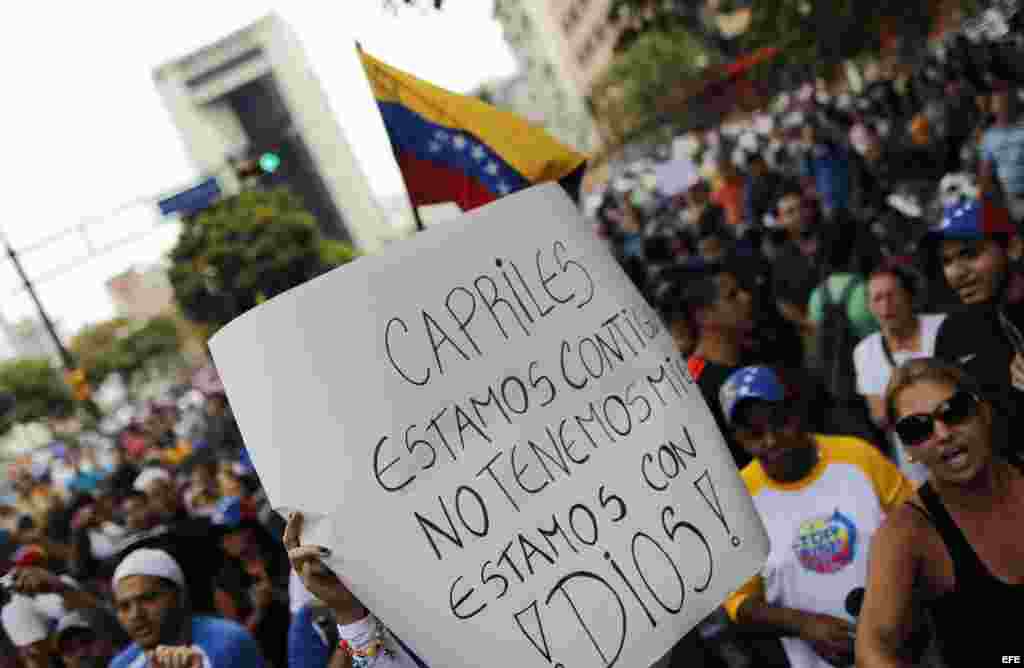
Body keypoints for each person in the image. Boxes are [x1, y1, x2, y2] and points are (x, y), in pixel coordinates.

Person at [719, 366, 913, 668]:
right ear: (738, 439)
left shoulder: (859, 458)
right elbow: (738, 602)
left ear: (796, 414)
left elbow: (918, 527)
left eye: (779, 423)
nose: (770, 440)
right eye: (754, 433)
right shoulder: (739, 499)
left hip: (905, 649)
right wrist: (802, 624)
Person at [856, 358, 1024, 667]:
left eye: (953, 412)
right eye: (917, 428)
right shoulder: (908, 532)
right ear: (906, 448)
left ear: (983, 412)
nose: (943, 433)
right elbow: (872, 649)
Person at [925, 198, 1024, 438]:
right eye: (947, 261)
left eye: (970, 254)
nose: (957, 273)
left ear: (1013, 248)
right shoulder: (952, 332)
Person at [854, 266, 946, 483]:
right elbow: (879, 416)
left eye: (892, 295)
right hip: (919, 470)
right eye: (877, 299)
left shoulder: (942, 326)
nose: (886, 306)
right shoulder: (865, 351)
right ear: (869, 306)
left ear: (909, 296)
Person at [110, 548, 265, 668]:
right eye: (124, 606)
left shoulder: (228, 642)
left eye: (147, 599)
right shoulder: (121, 664)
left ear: (180, 596)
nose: (136, 614)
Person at [979, 82, 1024, 221]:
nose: (1002, 108)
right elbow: (985, 172)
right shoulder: (989, 137)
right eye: (998, 104)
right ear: (993, 108)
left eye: (1006, 104)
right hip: (1011, 198)